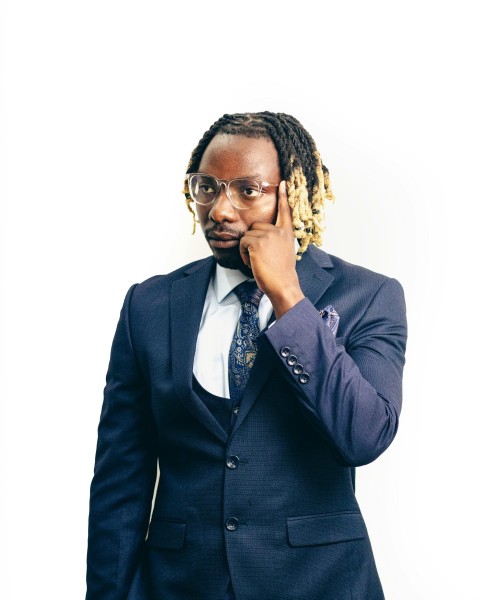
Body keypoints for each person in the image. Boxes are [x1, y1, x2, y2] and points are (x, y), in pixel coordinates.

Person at [86, 111, 407, 600]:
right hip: (180, 586)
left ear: (291, 194)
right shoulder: (149, 306)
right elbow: (119, 484)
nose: (219, 209)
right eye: (207, 186)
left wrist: (288, 300)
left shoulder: (367, 296)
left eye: (247, 190)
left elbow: (364, 436)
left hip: (320, 584)